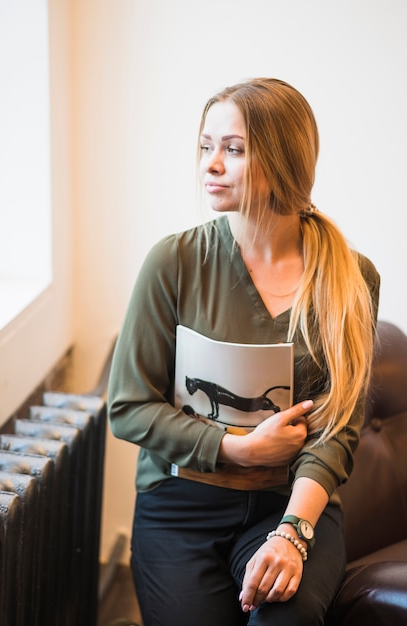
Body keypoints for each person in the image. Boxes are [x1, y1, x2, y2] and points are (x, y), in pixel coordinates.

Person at [108, 78, 380, 626]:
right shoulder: (173, 263)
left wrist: (294, 532)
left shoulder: (352, 278)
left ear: (283, 160)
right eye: (206, 146)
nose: (210, 164)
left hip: (291, 505)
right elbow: (128, 406)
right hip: (179, 509)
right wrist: (235, 450)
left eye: (232, 150)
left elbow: (339, 426)